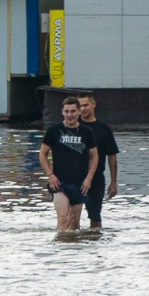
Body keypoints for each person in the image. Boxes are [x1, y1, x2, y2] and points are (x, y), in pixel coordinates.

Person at [39, 97, 99, 231]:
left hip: (79, 182)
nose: (69, 115)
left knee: (74, 220)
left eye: (72, 111)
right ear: (62, 112)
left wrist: (88, 179)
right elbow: (42, 154)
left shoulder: (86, 132)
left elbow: (94, 157)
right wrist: (50, 175)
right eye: (66, 111)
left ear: (79, 112)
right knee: (63, 217)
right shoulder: (54, 130)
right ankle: (60, 243)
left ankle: (73, 244)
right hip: (59, 182)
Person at [78, 92, 119, 229]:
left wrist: (113, 182)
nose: (82, 109)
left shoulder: (104, 129)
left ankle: (95, 238)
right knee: (71, 216)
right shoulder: (73, 128)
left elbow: (112, 156)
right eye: (80, 106)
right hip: (74, 177)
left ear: (93, 104)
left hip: (96, 179)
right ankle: (71, 240)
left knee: (95, 216)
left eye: (85, 105)